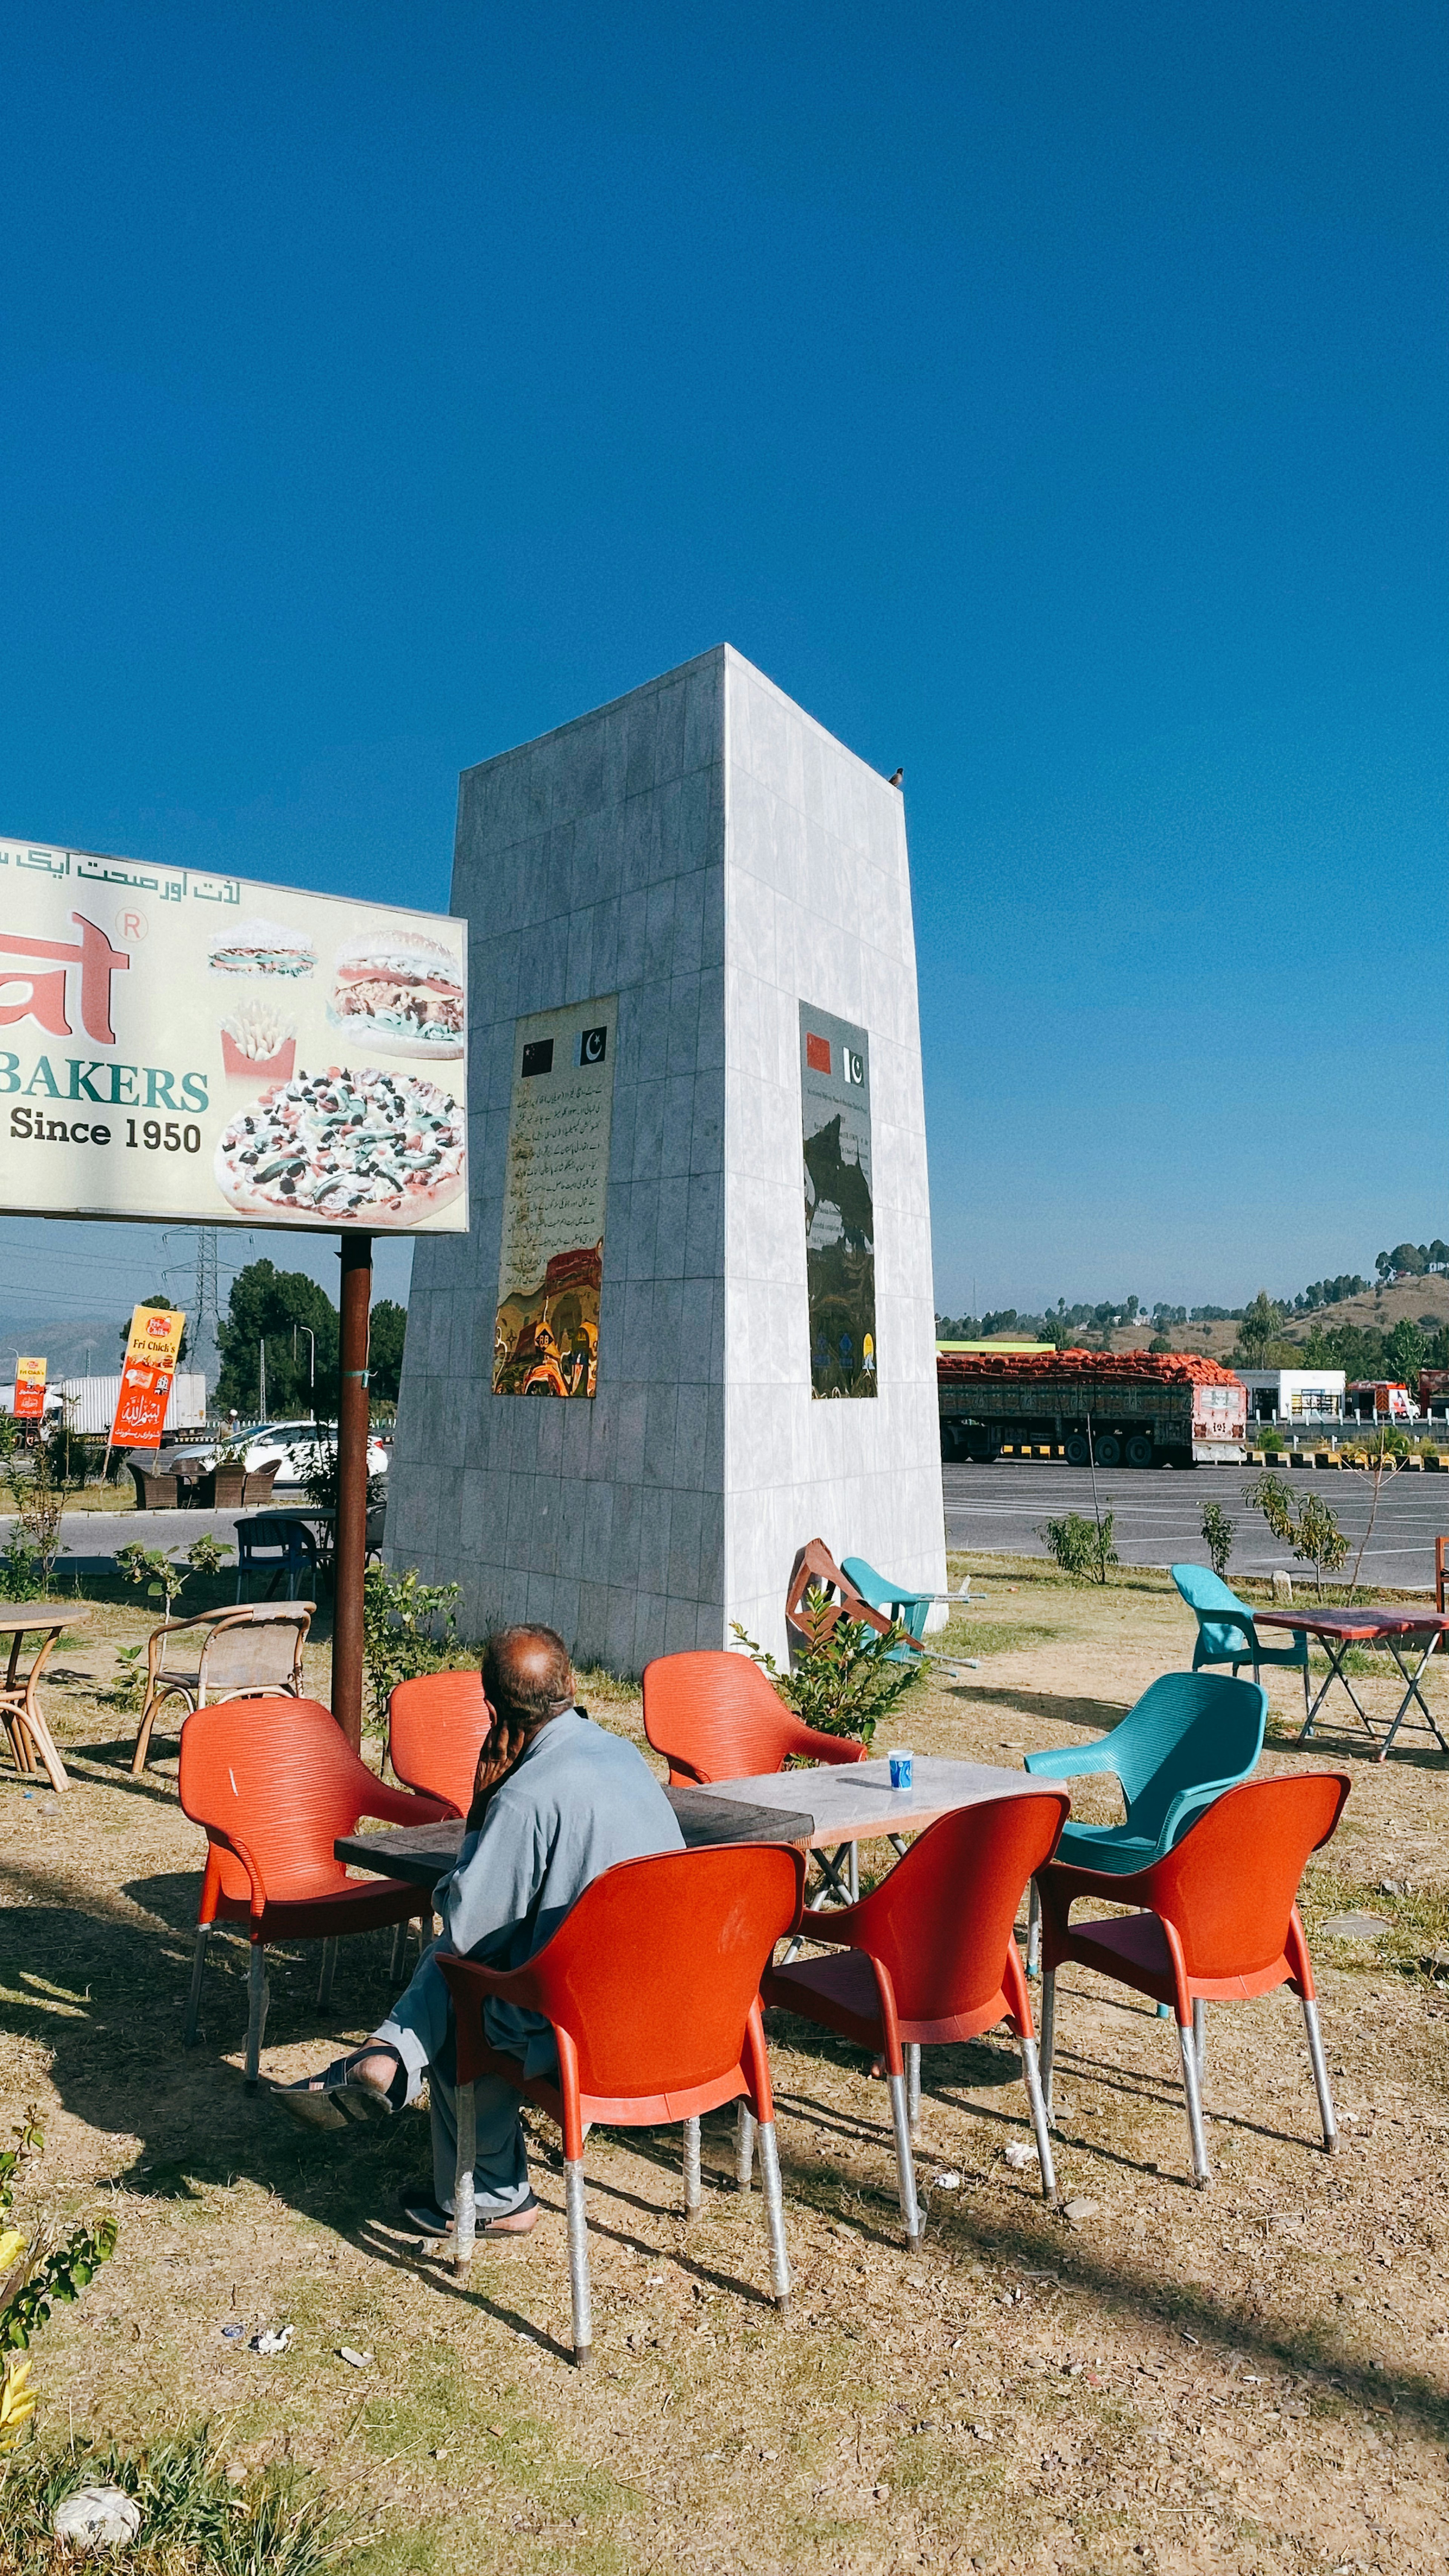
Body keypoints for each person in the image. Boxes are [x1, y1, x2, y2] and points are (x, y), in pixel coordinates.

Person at [278, 1623, 684, 2239]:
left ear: (491, 1711)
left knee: (462, 1985)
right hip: (673, 2019)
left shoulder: (525, 1796)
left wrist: (481, 1811)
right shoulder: (626, 1756)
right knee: (482, 1968)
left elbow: (466, 1929)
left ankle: (489, 2189)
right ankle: (388, 2055)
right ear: (572, 1686)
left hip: (584, 2037)